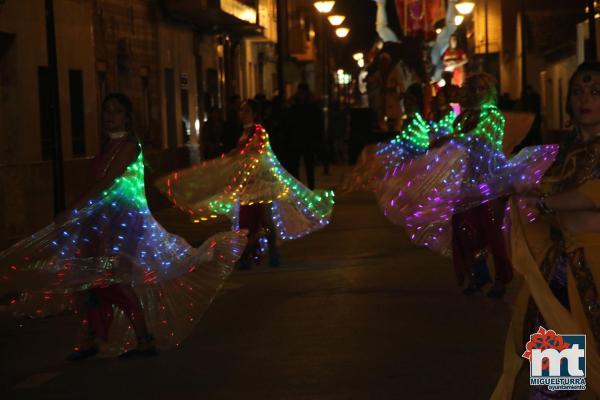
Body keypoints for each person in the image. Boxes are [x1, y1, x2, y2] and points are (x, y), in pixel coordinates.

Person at [0, 93, 245, 360]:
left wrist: (73, 209)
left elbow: (106, 181)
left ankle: (142, 338)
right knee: (85, 280)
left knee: (112, 278)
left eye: (116, 111)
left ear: (127, 116)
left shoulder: (129, 146)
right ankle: (90, 336)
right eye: (106, 111)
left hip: (122, 224)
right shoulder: (107, 146)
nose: (110, 116)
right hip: (98, 222)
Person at [377, 74, 558, 297]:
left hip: (492, 181)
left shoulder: (493, 116)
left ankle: (501, 279)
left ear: (490, 91)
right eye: (474, 88)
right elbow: (459, 141)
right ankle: (477, 275)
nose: (478, 93)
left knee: (491, 231)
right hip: (469, 181)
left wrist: (450, 140)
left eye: (483, 88)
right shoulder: (465, 116)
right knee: (465, 229)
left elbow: (478, 138)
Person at [492, 62, 600, 399]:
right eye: (579, 91)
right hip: (558, 275)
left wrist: (545, 201)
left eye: (596, 92)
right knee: (557, 384)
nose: (585, 99)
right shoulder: (564, 151)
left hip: (596, 270)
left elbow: (592, 196)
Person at [157, 100, 335, 270]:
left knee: (265, 219)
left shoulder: (258, 131)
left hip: (260, 184)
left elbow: (254, 153)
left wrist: (236, 157)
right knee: (247, 220)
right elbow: (240, 154)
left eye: (247, 111)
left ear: (255, 114)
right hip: (247, 184)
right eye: (241, 111)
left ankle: (271, 252)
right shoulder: (244, 131)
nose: (243, 114)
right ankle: (249, 254)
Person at [285, 83, 324, 190]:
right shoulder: (297, 105)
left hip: (307, 140)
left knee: (309, 166)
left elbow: (318, 124)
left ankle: (309, 187)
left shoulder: (310, 106)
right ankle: (300, 187)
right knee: (296, 166)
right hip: (298, 139)